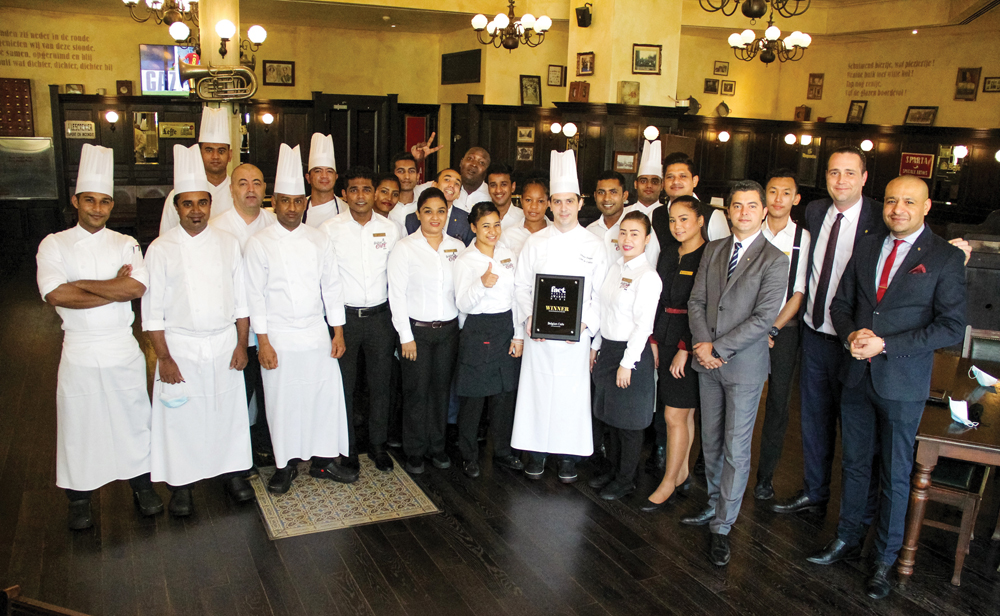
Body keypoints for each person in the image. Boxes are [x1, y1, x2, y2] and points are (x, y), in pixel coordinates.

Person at [808, 175, 966, 600]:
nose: (898, 208)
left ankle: (884, 558)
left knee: (896, 474)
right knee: (855, 464)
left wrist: (886, 345)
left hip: (902, 381)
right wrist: (850, 337)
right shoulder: (866, 244)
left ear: (926, 206)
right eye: (892, 200)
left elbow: (951, 327)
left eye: (909, 202)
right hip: (857, 373)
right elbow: (840, 304)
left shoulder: (945, 257)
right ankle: (847, 538)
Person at [36, 144, 162, 530]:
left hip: (122, 346)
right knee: (79, 423)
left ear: (112, 204)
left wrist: (82, 284)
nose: (97, 208)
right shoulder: (53, 243)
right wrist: (113, 284)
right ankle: (79, 498)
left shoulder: (124, 242)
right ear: (76, 200)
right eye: (89, 200)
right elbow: (56, 295)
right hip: (78, 349)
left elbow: (136, 290)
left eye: (105, 201)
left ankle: (142, 486)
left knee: (134, 418)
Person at [770, 147, 886, 515]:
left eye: (850, 173)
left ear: (864, 178)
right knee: (814, 420)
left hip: (855, 341)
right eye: (834, 172)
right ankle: (815, 491)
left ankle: (855, 512)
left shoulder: (880, 218)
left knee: (855, 430)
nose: (841, 180)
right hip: (814, 332)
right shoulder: (816, 212)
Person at [142, 144, 254, 517]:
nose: (195, 211)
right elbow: (152, 312)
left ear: (210, 205)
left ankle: (233, 475)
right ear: (176, 208)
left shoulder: (226, 243)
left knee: (228, 413)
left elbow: (241, 301)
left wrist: (241, 345)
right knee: (181, 419)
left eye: (201, 203)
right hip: (181, 347)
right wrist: (164, 358)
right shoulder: (160, 248)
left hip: (224, 343)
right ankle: (182, 486)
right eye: (187, 204)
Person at [683, 180, 788, 567]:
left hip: (742, 365)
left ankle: (723, 525)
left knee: (735, 447)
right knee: (710, 440)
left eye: (751, 206)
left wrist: (719, 348)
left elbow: (763, 319)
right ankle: (713, 504)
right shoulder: (713, 250)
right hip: (705, 359)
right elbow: (697, 300)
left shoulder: (775, 259)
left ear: (764, 211)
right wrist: (701, 343)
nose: (743, 212)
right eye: (737, 205)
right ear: (727, 211)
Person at [243, 143, 354, 494]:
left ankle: (322, 462)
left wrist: (337, 332)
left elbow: (332, 288)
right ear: (273, 203)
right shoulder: (259, 243)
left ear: (305, 203)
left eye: (297, 201)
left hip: (316, 333)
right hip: (277, 336)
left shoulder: (319, 239)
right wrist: (263, 342)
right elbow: (254, 297)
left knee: (324, 398)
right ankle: (285, 466)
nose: (291, 208)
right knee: (281, 403)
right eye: (284, 201)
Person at [512, 150, 607, 483]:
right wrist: (527, 320)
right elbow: (521, 286)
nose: (563, 208)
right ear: (550, 205)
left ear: (580, 203)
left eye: (570, 201)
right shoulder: (535, 243)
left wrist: (586, 325)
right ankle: (535, 453)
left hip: (575, 339)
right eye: (557, 201)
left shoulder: (595, 245)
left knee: (571, 396)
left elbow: (601, 295)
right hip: (539, 337)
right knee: (536, 392)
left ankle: (568, 457)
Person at [320, 167, 402, 473]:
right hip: (345, 320)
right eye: (353, 190)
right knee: (345, 386)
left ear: (375, 193)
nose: (360, 196)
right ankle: (348, 447)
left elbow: (397, 277)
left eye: (367, 189)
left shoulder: (389, 228)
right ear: (344, 195)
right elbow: (326, 281)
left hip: (381, 317)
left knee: (381, 385)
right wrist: (335, 326)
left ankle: (378, 445)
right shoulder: (329, 229)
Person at [388, 188, 464, 474]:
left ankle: (437, 447)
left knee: (441, 391)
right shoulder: (405, 247)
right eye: (428, 211)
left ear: (448, 214)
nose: (435, 217)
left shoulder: (457, 247)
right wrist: (405, 337)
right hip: (416, 334)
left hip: (448, 332)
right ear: (418, 214)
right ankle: (415, 451)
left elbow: (463, 289)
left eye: (441, 211)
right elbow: (396, 295)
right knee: (416, 392)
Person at [588, 211, 661, 500]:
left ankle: (626, 479)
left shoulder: (648, 276)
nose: (628, 239)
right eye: (624, 232)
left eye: (635, 233)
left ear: (647, 239)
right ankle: (615, 470)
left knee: (629, 423)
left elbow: (644, 325)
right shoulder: (616, 267)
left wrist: (627, 363)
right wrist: (595, 345)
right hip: (607, 347)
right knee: (611, 417)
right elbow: (603, 309)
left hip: (632, 354)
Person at [640, 196, 706, 511]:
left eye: (684, 219)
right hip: (663, 337)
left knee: (673, 415)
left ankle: (668, 482)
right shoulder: (667, 255)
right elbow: (655, 298)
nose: (678, 226)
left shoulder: (709, 256)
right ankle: (681, 473)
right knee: (683, 414)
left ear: (700, 220)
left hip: (689, 344)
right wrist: (653, 339)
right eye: (672, 220)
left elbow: (704, 308)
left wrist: (685, 348)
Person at [453, 202, 526, 478]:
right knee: (473, 397)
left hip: (505, 326)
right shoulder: (465, 260)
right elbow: (462, 303)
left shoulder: (508, 255)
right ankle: (468, 454)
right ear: (473, 228)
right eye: (485, 226)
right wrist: (481, 283)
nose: (493, 231)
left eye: (496, 225)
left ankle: (503, 451)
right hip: (478, 328)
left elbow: (518, 296)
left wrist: (518, 335)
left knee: (504, 394)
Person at [211, 163, 277, 465]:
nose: (250, 189)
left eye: (256, 183)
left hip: (274, 324)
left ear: (265, 189)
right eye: (243, 183)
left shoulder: (275, 222)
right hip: (234, 329)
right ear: (231, 189)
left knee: (271, 390)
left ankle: (266, 443)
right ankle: (233, 457)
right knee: (239, 391)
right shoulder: (216, 227)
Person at [753, 169, 812, 501]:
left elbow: (799, 291)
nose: (777, 199)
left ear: (795, 198)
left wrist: (772, 327)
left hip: (783, 330)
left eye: (785, 193)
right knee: (734, 395)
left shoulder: (802, 238)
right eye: (772, 191)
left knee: (777, 403)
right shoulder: (749, 230)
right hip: (745, 329)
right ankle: (710, 462)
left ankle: (766, 475)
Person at [159, 106, 234, 235]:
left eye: (221, 151)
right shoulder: (179, 194)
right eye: (209, 150)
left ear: (230, 155)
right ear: (199, 154)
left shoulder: (239, 193)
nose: (215, 156)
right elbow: (166, 239)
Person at [650, 153, 730, 247]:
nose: (676, 181)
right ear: (663, 183)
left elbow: (723, 256)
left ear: (694, 181)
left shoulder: (713, 216)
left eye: (683, 176)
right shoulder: (655, 215)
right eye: (670, 177)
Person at [588, 170, 659, 268]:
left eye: (613, 192)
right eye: (601, 192)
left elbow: (650, 266)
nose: (607, 198)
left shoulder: (641, 227)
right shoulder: (590, 231)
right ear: (595, 196)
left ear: (624, 196)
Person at [405, 168, 476, 245]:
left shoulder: (467, 220)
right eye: (447, 180)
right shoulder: (412, 219)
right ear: (434, 185)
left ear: (459, 194)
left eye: (456, 183)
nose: (451, 185)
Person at [302, 132, 346, 228]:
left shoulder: (347, 210)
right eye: (318, 171)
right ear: (308, 178)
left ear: (336, 177)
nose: (324, 176)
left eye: (329, 171)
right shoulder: (298, 209)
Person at [500, 177, 551, 256]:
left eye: (540, 201)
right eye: (528, 200)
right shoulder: (508, 235)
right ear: (521, 201)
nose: (534, 206)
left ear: (548, 203)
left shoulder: (557, 232)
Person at [624, 138, 664, 220]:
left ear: (662, 186)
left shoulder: (669, 214)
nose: (649, 185)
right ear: (636, 184)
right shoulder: (623, 214)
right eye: (643, 181)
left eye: (655, 182)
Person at [485, 163, 525, 231]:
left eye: (503, 184)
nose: (498, 190)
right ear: (488, 188)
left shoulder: (524, 218)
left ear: (513, 186)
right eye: (493, 185)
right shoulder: (481, 217)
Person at [456, 146, 492, 212]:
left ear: (486, 172)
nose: (474, 164)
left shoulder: (491, 195)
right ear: (461, 163)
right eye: (470, 158)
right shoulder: (446, 188)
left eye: (481, 162)